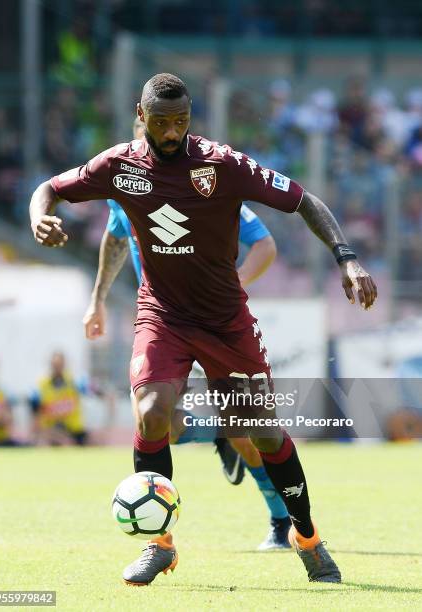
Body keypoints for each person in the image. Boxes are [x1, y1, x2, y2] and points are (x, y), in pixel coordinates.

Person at [29, 73, 377, 586]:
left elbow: (303, 200)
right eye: (162, 122)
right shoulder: (118, 166)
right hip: (163, 315)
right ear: (141, 115)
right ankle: (160, 544)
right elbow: (50, 188)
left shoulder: (221, 164)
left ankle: (306, 535)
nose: (172, 133)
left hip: (224, 321)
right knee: (150, 414)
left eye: (182, 122)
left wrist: (347, 258)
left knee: (261, 431)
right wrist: (41, 217)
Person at [83, 177, 291, 550]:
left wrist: (233, 285)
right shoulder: (122, 186)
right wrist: (98, 298)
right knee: (163, 427)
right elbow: (115, 238)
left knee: (245, 433)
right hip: (162, 324)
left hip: (214, 324)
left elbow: (265, 242)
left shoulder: (204, 186)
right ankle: (217, 438)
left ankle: (279, 521)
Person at [29, 351, 92, 446]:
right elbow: (35, 416)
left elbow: (99, 392)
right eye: (55, 365)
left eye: (60, 365)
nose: (57, 368)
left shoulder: (76, 383)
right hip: (52, 433)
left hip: (75, 432)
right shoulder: (40, 387)